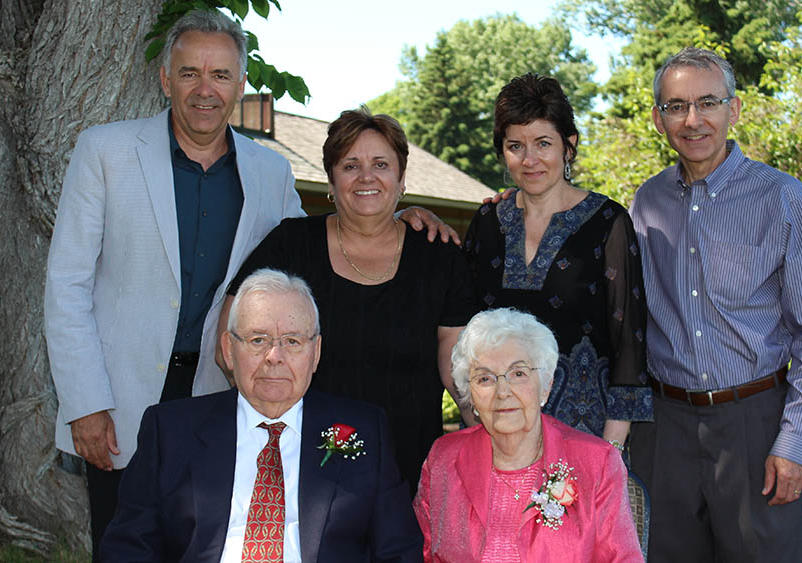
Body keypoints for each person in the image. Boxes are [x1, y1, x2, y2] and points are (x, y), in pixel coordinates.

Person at [44, 10, 451, 558]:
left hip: (223, 392)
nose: (204, 90)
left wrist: (398, 218)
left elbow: (312, 250)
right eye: (189, 73)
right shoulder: (105, 153)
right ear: (166, 79)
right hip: (119, 398)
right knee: (125, 541)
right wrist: (85, 401)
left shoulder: (269, 172)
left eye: (220, 75)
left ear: (240, 84)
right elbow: (66, 284)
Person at [627, 47, 802, 562]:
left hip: (754, 425)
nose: (693, 119)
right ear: (659, 118)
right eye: (676, 106)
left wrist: (793, 442)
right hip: (665, 428)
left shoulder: (781, 197)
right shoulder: (646, 201)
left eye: (707, 102)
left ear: (735, 108)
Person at [216, 108, 477, 493]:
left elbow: (459, 373)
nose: (366, 176)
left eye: (381, 164)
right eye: (350, 164)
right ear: (331, 180)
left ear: (401, 178)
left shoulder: (439, 257)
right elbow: (229, 346)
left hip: (409, 470)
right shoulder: (290, 246)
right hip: (303, 467)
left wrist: (494, 434)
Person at [100, 269, 423, 562]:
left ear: (316, 352)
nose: (274, 357)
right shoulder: (170, 431)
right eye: (258, 340)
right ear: (228, 349)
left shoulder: (365, 431)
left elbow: (399, 552)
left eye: (293, 341)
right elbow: (127, 549)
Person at [463, 73, 651, 453]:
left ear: (570, 146)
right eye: (516, 145)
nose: (530, 159)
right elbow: (461, 340)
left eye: (543, 144)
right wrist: (482, 432)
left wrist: (608, 456)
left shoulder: (608, 222)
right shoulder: (486, 224)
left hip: (588, 441)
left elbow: (629, 349)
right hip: (499, 443)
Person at [414, 308, 642, 562]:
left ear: (545, 386)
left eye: (518, 374)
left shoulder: (597, 463)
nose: (503, 392)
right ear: (471, 395)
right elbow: (426, 554)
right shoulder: (444, 458)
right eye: (485, 378)